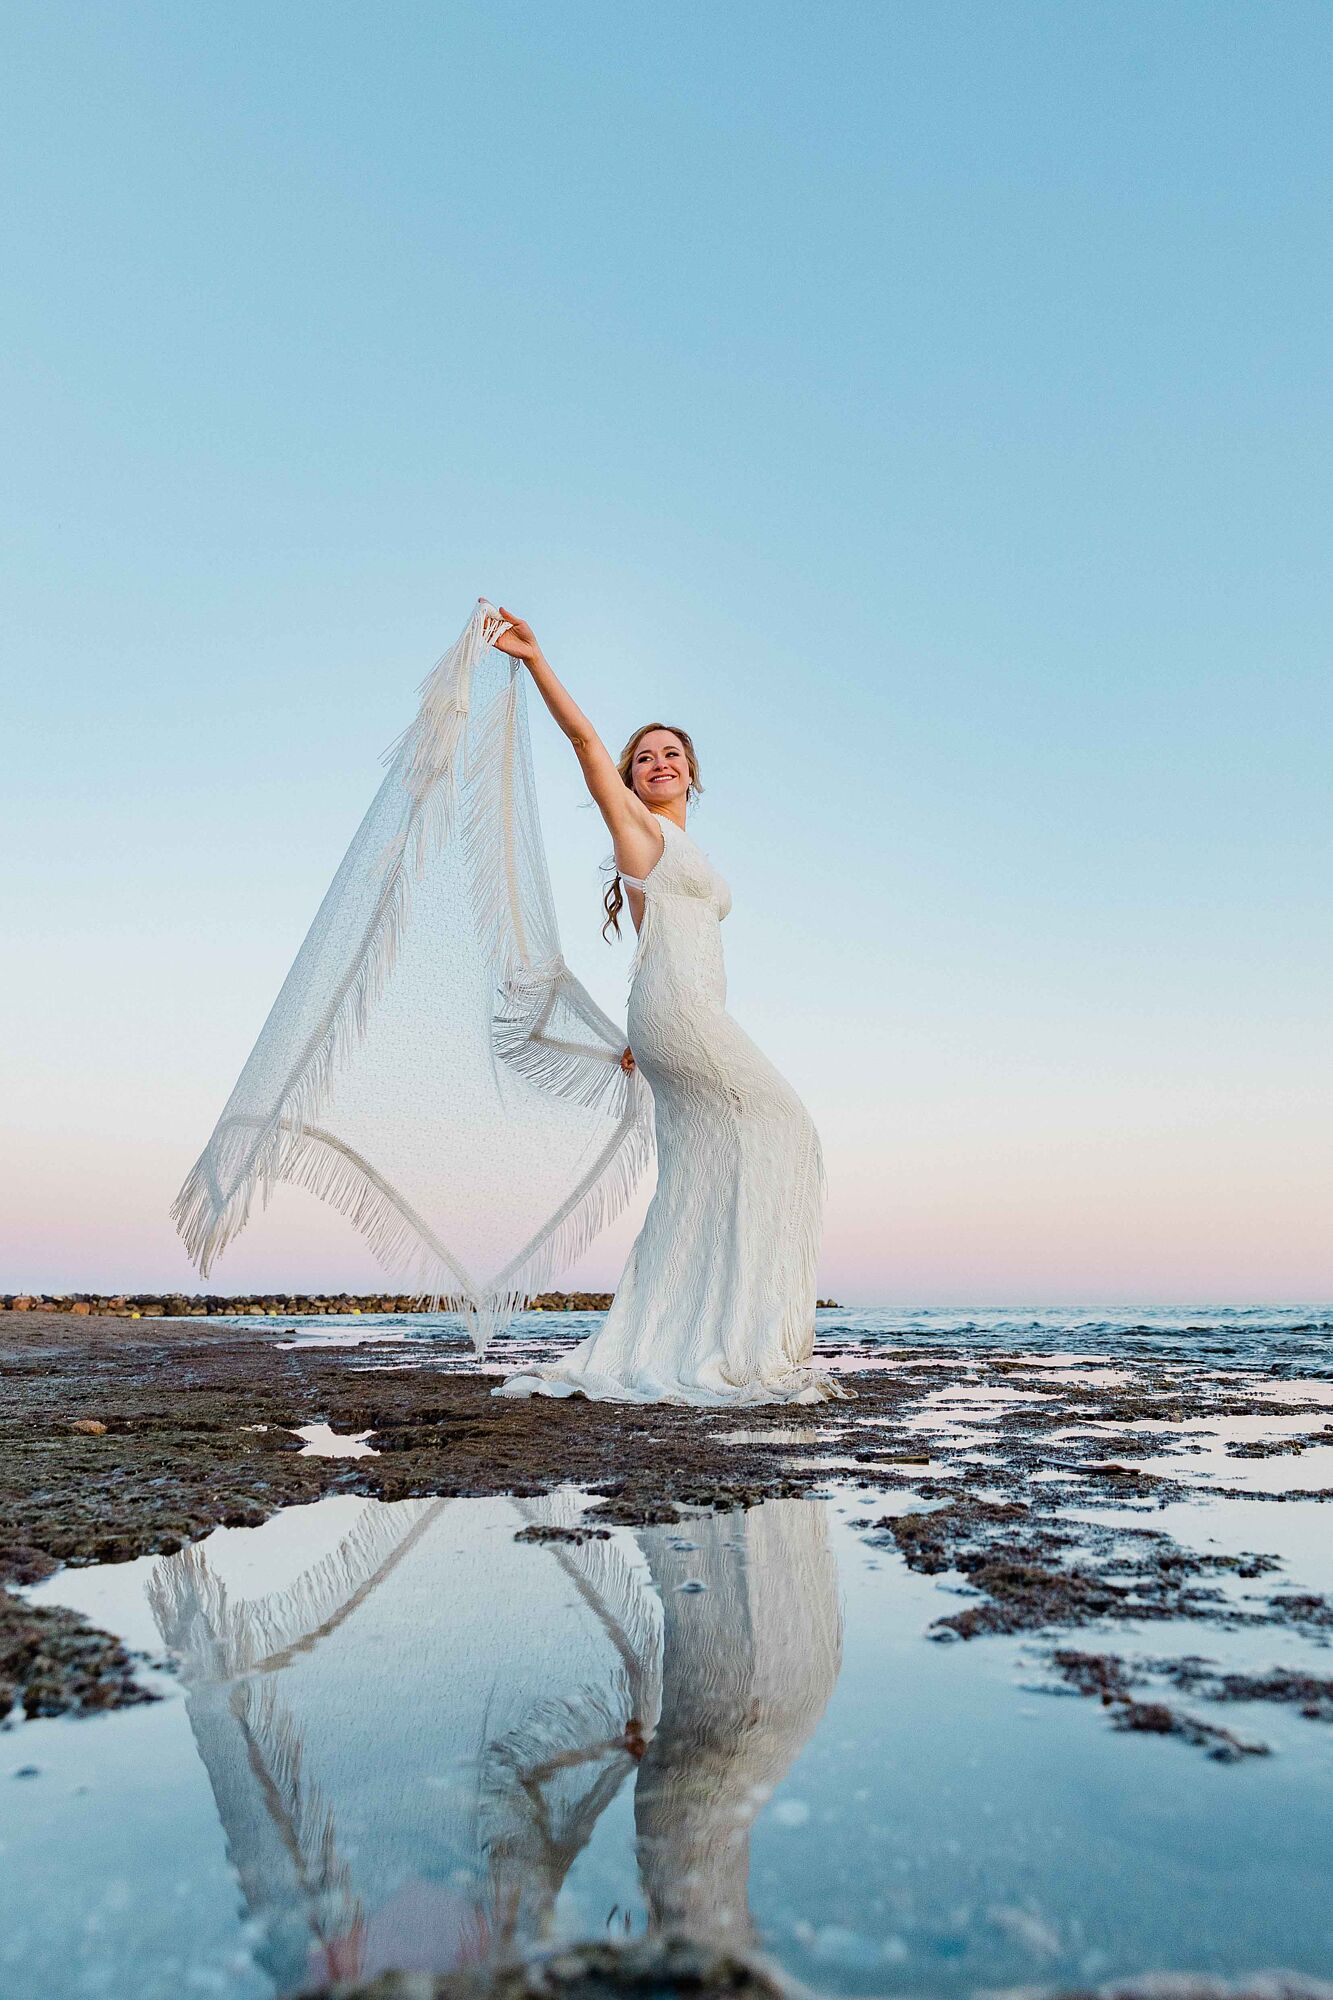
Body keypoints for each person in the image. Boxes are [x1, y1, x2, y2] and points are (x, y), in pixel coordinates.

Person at [490, 611, 851, 1406]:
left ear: (692, 773)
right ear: (632, 776)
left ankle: (697, 1331)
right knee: (786, 1129)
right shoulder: (640, 829)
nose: (657, 763)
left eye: (671, 755)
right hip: (683, 1015)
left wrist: (641, 1032)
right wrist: (538, 658)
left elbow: (658, 938)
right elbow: (586, 746)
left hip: (675, 1011)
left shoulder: (684, 851)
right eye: (644, 756)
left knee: (707, 1167)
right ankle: (738, 1336)